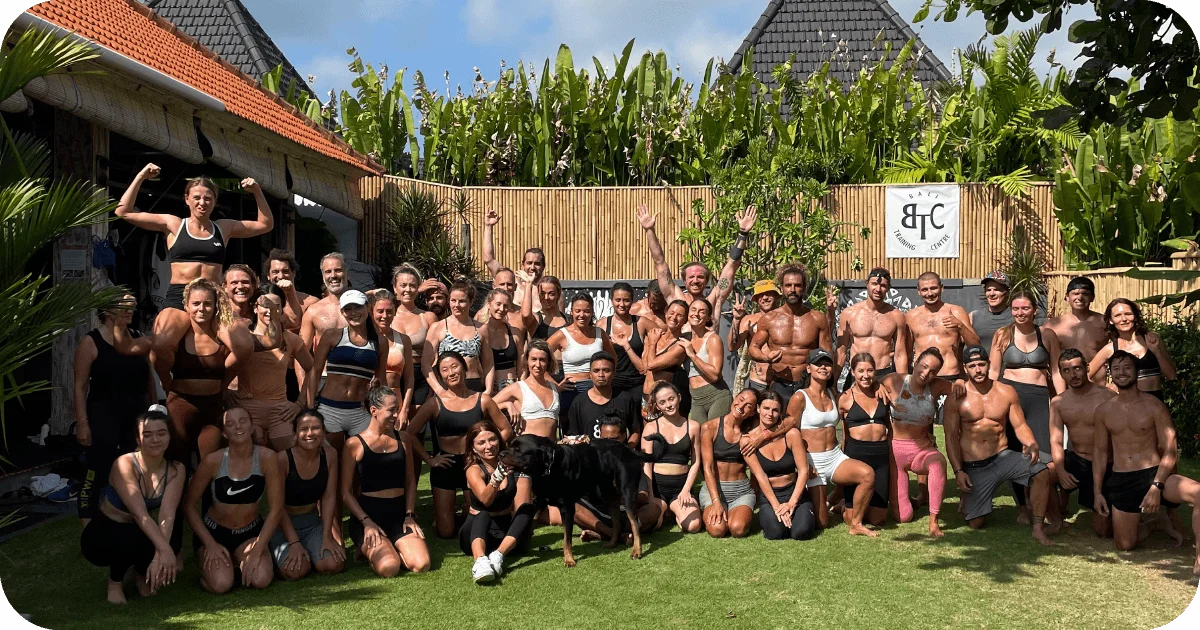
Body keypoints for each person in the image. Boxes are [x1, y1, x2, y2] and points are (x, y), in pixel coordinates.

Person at [1093, 351, 1200, 575]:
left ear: (1137, 372)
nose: (1122, 373)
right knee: (1124, 545)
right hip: (1122, 478)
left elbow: (1170, 448)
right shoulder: (1104, 410)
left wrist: (1157, 486)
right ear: (1111, 374)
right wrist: (1097, 492)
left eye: (1127, 368)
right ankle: (1154, 523)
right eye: (1117, 369)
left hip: (1153, 473)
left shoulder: (1154, 406)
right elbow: (1101, 452)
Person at [114, 278, 241, 467]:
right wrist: (119, 319)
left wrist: (224, 386)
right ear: (186, 306)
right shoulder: (174, 339)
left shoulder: (224, 339)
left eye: (207, 304)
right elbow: (126, 347)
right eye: (196, 303)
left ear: (216, 306)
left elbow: (246, 354)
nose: (201, 309)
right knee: (177, 467)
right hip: (180, 408)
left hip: (212, 409)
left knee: (210, 467)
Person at [114, 164, 273, 311]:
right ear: (187, 199)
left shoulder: (224, 227)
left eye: (208, 198)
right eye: (197, 198)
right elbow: (123, 212)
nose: (202, 203)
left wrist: (257, 191)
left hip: (213, 296)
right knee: (163, 340)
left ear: (215, 201)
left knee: (231, 340)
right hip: (179, 296)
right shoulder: (173, 224)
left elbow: (265, 224)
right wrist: (140, 176)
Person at [943, 345, 1053, 545]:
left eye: (982, 364)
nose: (978, 370)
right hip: (975, 465)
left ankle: (1038, 527)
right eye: (972, 365)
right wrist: (958, 471)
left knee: (1042, 471)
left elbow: (1019, 424)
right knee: (976, 523)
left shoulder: (1006, 391)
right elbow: (950, 437)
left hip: (1003, 457)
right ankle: (971, 500)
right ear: (965, 368)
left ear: (989, 364)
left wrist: (1031, 443)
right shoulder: (956, 398)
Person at [80, 407, 185, 604]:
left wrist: (159, 556)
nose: (155, 440)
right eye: (147, 435)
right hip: (101, 535)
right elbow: (140, 515)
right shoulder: (124, 464)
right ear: (138, 440)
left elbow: (167, 515)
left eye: (161, 433)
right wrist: (164, 552)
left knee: (164, 535)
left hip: (136, 529)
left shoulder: (176, 469)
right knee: (130, 534)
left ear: (170, 437)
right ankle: (115, 581)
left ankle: (139, 574)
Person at [407, 352, 512, 538]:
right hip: (445, 465)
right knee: (445, 532)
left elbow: (505, 429)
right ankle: (447, 515)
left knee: (477, 520)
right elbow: (410, 433)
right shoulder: (435, 403)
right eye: (444, 370)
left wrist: (488, 455)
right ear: (440, 376)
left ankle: (467, 510)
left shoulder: (483, 400)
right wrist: (430, 459)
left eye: (454, 367)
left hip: (472, 465)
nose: (451, 373)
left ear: (464, 368)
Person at [184, 407, 285, 593]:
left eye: (243, 421)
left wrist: (258, 549)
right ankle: (215, 570)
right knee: (221, 585)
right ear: (224, 432)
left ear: (252, 426)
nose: (237, 426)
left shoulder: (267, 458)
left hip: (249, 533)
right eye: (230, 424)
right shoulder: (212, 461)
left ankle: (239, 561)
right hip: (214, 533)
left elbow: (276, 508)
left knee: (261, 580)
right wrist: (210, 544)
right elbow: (189, 505)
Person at [989, 290, 1065, 528]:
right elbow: (993, 372)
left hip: (1039, 398)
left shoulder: (1047, 335)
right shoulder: (1002, 335)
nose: (1020, 313)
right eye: (1016, 309)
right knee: (1014, 453)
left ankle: (1048, 508)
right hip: (1011, 398)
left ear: (1034, 310)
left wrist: (1062, 400)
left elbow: (1056, 371)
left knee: (1044, 456)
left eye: (1025, 308)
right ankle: (1022, 506)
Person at [74, 295, 154, 523]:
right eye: (124, 307)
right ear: (107, 311)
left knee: (135, 467)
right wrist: (82, 423)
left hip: (136, 414)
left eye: (132, 307)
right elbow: (79, 386)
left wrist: (154, 411)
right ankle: (87, 524)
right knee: (96, 469)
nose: (130, 311)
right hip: (103, 413)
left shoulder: (138, 337)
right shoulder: (91, 342)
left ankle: (129, 518)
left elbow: (149, 379)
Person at [782, 349, 878, 535]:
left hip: (834, 458)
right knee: (821, 523)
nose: (823, 367)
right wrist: (802, 465)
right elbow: (790, 432)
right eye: (818, 364)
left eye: (827, 364)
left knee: (867, 475)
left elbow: (860, 389)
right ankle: (825, 501)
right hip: (812, 461)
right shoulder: (800, 397)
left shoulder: (834, 393)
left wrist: (878, 385)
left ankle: (856, 524)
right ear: (808, 368)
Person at [342, 387, 431, 576]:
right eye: (391, 410)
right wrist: (366, 522)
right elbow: (345, 492)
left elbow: (410, 481)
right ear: (374, 410)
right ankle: (371, 549)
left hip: (399, 516)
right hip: (368, 516)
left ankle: (392, 545)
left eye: (397, 409)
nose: (396, 414)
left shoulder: (404, 438)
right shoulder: (354, 444)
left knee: (422, 565)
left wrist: (410, 515)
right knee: (390, 568)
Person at [881, 348, 953, 537]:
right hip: (896, 454)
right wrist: (877, 387)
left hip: (922, 450)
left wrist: (961, 382)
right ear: (916, 362)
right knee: (903, 517)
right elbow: (869, 387)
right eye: (924, 366)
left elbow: (959, 386)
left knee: (938, 463)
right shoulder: (893, 380)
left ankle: (934, 521)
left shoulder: (937, 386)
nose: (926, 373)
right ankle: (902, 499)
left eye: (933, 371)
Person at [636, 204, 756, 317]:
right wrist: (649, 230)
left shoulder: (714, 301)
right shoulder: (675, 300)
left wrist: (743, 233)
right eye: (691, 277)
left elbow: (732, 265)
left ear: (707, 280)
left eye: (700, 277)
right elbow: (659, 262)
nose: (696, 281)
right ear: (684, 280)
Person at [270, 409, 345, 580]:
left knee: (334, 564)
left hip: (312, 523)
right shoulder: (282, 459)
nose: (310, 433)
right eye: (304, 429)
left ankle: (310, 551)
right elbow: (277, 506)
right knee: (296, 571)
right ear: (295, 433)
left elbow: (329, 497)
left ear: (323, 431)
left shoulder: (330, 454)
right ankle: (279, 554)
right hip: (282, 526)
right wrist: (294, 542)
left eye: (316, 428)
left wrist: (327, 536)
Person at [309, 289, 388, 450]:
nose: (353, 313)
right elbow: (315, 372)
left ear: (367, 307)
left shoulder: (380, 342)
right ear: (342, 312)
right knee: (331, 462)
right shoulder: (332, 335)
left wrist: (383, 409)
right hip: (329, 410)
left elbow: (381, 380)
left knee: (361, 465)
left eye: (357, 307)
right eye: (348, 309)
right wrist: (310, 407)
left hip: (360, 412)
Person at [1048, 349, 1115, 538]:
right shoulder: (1059, 402)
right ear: (1061, 374)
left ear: (1086, 368)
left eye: (1077, 368)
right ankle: (1056, 519)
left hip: (1105, 464)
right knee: (1043, 473)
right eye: (1067, 370)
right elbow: (1056, 439)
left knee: (1103, 531)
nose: (1073, 375)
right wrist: (1060, 470)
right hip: (1077, 459)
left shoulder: (1107, 397)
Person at [748, 264, 835, 407]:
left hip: (808, 384)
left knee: (809, 429)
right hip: (779, 382)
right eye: (788, 285)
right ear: (781, 288)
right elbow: (754, 347)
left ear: (804, 287)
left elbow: (827, 354)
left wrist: (830, 386)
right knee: (778, 427)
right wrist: (765, 357)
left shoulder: (817, 318)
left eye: (797, 285)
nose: (792, 290)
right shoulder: (769, 319)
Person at [460, 421, 537, 583]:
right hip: (477, 532)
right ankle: (480, 561)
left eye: (492, 439)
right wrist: (497, 477)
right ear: (473, 448)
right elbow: (486, 500)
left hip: (503, 531)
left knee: (527, 509)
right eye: (481, 443)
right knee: (483, 514)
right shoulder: (473, 469)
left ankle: (498, 556)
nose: (488, 446)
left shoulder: (509, 462)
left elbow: (531, 458)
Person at [240, 284, 313, 451]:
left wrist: (300, 403)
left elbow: (312, 369)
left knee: (287, 457)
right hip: (248, 409)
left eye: (276, 306)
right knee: (253, 459)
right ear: (255, 307)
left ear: (281, 309)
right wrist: (228, 392)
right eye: (265, 305)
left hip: (280, 411)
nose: (269, 311)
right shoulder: (243, 337)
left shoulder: (291, 339)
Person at [575, 416, 663, 542]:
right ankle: (613, 534)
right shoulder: (592, 459)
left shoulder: (630, 459)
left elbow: (643, 496)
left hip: (626, 513)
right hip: (599, 514)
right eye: (605, 439)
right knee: (572, 506)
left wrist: (623, 498)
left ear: (623, 437)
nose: (609, 444)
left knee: (654, 510)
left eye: (614, 439)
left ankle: (605, 534)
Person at [745, 391, 817, 540]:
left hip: (794, 492)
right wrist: (777, 506)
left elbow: (803, 470)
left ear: (780, 412)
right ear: (758, 408)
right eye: (766, 408)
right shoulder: (748, 441)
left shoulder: (792, 434)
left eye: (775, 410)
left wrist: (791, 503)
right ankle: (776, 516)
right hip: (770, 495)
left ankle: (801, 513)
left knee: (801, 532)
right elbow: (760, 476)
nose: (770, 414)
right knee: (775, 533)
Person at [838, 354, 893, 528]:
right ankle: (843, 505)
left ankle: (862, 503)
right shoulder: (845, 398)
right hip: (856, 456)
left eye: (870, 370)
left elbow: (891, 426)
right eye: (860, 370)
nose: (865, 375)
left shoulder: (882, 394)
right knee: (849, 518)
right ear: (853, 372)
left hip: (880, 456)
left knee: (878, 520)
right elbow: (841, 433)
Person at [640, 382, 702, 533]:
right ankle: (663, 512)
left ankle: (674, 512)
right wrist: (650, 495)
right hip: (657, 489)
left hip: (680, 489)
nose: (668, 405)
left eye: (671, 399)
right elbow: (646, 464)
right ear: (657, 406)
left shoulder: (692, 426)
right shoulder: (651, 427)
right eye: (662, 402)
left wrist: (686, 490)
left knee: (693, 526)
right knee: (650, 525)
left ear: (679, 397)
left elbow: (695, 462)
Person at [835, 267, 908, 392]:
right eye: (874, 284)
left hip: (884, 375)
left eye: (883, 286)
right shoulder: (849, 314)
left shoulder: (897, 316)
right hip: (858, 375)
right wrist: (833, 383)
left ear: (889, 288)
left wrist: (904, 385)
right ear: (867, 284)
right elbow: (841, 352)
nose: (878, 289)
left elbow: (900, 354)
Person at [1088, 298, 1176, 400]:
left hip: (1153, 402)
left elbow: (1171, 375)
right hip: (1125, 406)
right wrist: (1106, 389)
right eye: (1117, 315)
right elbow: (1085, 375)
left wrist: (1156, 352)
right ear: (1111, 320)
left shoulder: (1152, 339)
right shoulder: (1110, 349)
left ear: (1135, 316)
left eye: (1128, 314)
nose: (1124, 319)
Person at [699, 389, 759, 538]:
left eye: (748, 405)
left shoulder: (752, 432)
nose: (741, 405)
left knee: (737, 529)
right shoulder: (709, 428)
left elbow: (784, 422)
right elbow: (707, 467)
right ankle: (713, 509)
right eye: (741, 399)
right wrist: (716, 501)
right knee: (717, 530)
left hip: (741, 491)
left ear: (752, 413)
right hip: (714, 490)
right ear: (735, 397)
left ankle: (739, 514)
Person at [904, 271, 981, 381]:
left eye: (933, 288)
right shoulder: (911, 316)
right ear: (919, 291)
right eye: (925, 289)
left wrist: (960, 326)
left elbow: (975, 345)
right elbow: (907, 352)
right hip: (922, 377)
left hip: (950, 375)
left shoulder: (956, 312)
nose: (930, 293)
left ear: (942, 288)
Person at [549, 293, 618, 414]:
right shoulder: (562, 334)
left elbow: (613, 358)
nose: (582, 315)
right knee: (572, 430)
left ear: (592, 312)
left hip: (597, 387)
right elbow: (537, 355)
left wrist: (609, 379)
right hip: (571, 389)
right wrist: (556, 385)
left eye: (586, 311)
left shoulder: (600, 333)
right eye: (578, 311)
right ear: (571, 312)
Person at [425, 282, 494, 394]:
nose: (456, 305)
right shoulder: (438, 327)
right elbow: (426, 364)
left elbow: (489, 364)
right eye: (453, 300)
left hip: (473, 384)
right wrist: (439, 390)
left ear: (471, 302)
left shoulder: (481, 329)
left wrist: (488, 389)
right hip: (447, 386)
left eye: (461, 301)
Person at [564, 352, 643, 447]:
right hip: (590, 459)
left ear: (614, 373)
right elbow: (573, 436)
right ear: (590, 374)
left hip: (618, 459)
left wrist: (626, 451)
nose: (601, 374)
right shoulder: (579, 402)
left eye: (606, 370)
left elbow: (635, 431)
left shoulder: (625, 399)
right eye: (596, 370)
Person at [392, 264, 440, 409]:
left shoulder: (427, 317)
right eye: (403, 285)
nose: (408, 290)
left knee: (416, 424)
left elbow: (436, 355)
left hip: (421, 375)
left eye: (412, 285)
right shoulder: (387, 316)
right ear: (395, 288)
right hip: (394, 374)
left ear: (418, 288)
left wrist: (434, 386)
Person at [1044, 277, 1108, 385]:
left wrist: (1115, 384)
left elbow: (1122, 350)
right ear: (1067, 297)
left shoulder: (1104, 323)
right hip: (1065, 388)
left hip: (1097, 387)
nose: (1080, 297)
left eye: (1085, 293)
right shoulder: (1052, 326)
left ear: (1092, 297)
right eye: (1075, 293)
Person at [493, 341, 561, 439]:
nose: (537, 364)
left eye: (542, 360)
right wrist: (506, 405)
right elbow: (485, 407)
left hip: (550, 450)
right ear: (527, 361)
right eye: (533, 359)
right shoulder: (517, 388)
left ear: (548, 362)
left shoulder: (554, 388)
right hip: (526, 450)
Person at [482, 207, 547, 310]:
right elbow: (488, 259)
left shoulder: (547, 291)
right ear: (523, 265)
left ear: (543, 267)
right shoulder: (511, 281)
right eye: (529, 263)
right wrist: (488, 226)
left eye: (537, 263)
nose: (533, 267)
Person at [599, 282, 655, 400]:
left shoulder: (641, 323)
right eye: (618, 300)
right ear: (611, 301)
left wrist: (651, 352)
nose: (622, 304)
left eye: (626, 300)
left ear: (632, 301)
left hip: (637, 383)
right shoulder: (602, 324)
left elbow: (665, 336)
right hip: (611, 384)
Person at [641, 300, 691, 418]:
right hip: (646, 396)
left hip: (663, 400)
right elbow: (643, 367)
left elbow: (651, 365)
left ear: (685, 320)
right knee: (647, 434)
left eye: (679, 315)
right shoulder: (655, 335)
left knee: (663, 435)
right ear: (666, 312)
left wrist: (652, 344)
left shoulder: (680, 345)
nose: (674, 317)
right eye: (672, 312)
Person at [369, 290, 415, 419]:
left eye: (389, 311)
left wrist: (404, 410)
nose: (385, 315)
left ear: (395, 312)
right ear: (372, 312)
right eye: (380, 311)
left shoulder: (404, 340)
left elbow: (409, 378)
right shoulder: (364, 339)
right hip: (369, 400)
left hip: (395, 402)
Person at [728, 280, 781, 392]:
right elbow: (732, 346)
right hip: (758, 381)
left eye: (768, 293)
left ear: (776, 296)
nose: (765, 298)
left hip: (781, 381)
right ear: (756, 300)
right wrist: (736, 320)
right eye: (760, 295)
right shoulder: (749, 320)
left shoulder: (785, 318)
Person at [300, 253, 352, 352]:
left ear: (347, 274)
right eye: (328, 272)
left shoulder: (362, 308)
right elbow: (301, 352)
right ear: (323, 277)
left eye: (338, 270)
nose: (333, 275)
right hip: (324, 367)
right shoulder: (313, 311)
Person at [263, 249, 318, 333]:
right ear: (268, 275)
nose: (281, 276)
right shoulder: (261, 301)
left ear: (293, 273)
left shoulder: (311, 302)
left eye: (285, 271)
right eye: (275, 272)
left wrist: (290, 292)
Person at [483, 289, 526, 394]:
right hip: (489, 390)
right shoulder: (481, 332)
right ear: (489, 305)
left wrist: (523, 390)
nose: (501, 309)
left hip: (512, 388)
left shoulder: (515, 332)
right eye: (498, 304)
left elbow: (522, 366)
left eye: (506, 306)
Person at [969, 270, 1013, 353]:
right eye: (988, 290)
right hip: (981, 365)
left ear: (1007, 292)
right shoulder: (973, 316)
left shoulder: (1015, 316)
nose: (992, 294)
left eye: (996, 289)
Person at [520, 274, 569, 343]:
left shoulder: (568, 320)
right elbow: (525, 315)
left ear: (558, 294)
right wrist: (528, 285)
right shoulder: (536, 319)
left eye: (551, 294)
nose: (546, 298)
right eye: (542, 293)